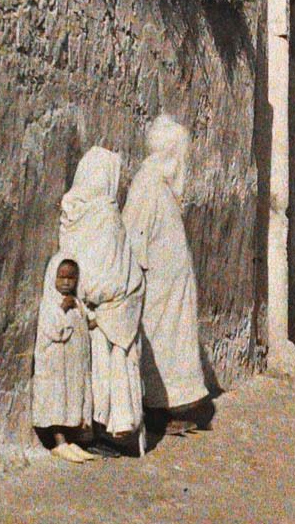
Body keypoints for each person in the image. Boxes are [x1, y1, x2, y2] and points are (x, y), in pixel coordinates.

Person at [122, 114, 214, 439]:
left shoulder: (160, 187)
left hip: (171, 294)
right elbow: (134, 239)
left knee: (172, 350)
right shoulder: (147, 186)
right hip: (157, 294)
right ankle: (158, 409)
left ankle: (174, 406)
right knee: (159, 351)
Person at [58, 146, 145, 455]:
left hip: (85, 309)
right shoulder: (107, 215)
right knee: (109, 378)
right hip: (107, 311)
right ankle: (108, 434)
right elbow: (114, 271)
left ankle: (92, 432)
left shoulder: (72, 212)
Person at [31, 254, 95, 462]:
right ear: (53, 278)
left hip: (72, 364)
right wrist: (63, 309)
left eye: (71, 278)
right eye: (62, 277)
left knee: (71, 399)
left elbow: (86, 323)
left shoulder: (76, 302)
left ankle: (69, 439)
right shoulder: (50, 303)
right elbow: (53, 331)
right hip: (56, 364)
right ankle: (58, 442)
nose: (66, 282)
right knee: (57, 399)